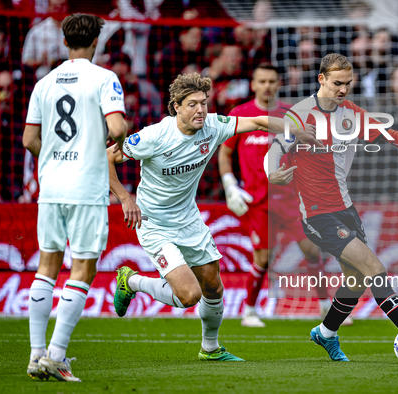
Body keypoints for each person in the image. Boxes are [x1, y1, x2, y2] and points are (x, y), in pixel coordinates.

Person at [265, 53, 398, 361]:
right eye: (337, 83)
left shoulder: (350, 113)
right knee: (374, 269)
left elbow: (386, 133)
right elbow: (276, 147)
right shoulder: (300, 113)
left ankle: (326, 333)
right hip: (318, 213)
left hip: (346, 208)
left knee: (355, 280)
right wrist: (271, 173)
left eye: (349, 83)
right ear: (322, 80)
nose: (344, 90)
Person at [108, 72, 316, 361]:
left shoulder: (213, 126)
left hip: (189, 220)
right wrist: (125, 197)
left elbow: (258, 121)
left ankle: (211, 348)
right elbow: (108, 157)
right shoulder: (154, 135)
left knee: (214, 286)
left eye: (204, 103)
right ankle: (131, 282)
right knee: (188, 296)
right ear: (176, 106)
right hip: (154, 223)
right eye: (192, 104)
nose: (201, 110)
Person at [23, 13, 128, 381]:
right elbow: (116, 128)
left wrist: (55, 158)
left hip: (50, 185)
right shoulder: (104, 78)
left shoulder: (44, 82)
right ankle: (57, 355)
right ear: (96, 41)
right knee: (82, 267)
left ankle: (37, 355)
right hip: (85, 186)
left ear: (64, 41)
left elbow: (29, 141)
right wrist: (119, 131)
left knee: (47, 266)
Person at [218, 63, 340, 327]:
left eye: (271, 81)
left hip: (291, 199)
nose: (267, 86)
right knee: (262, 257)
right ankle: (249, 310)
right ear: (253, 85)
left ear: (279, 84)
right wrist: (230, 186)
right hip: (258, 201)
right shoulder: (241, 115)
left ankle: (323, 307)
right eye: (261, 81)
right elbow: (225, 153)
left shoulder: (290, 114)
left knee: (311, 249)